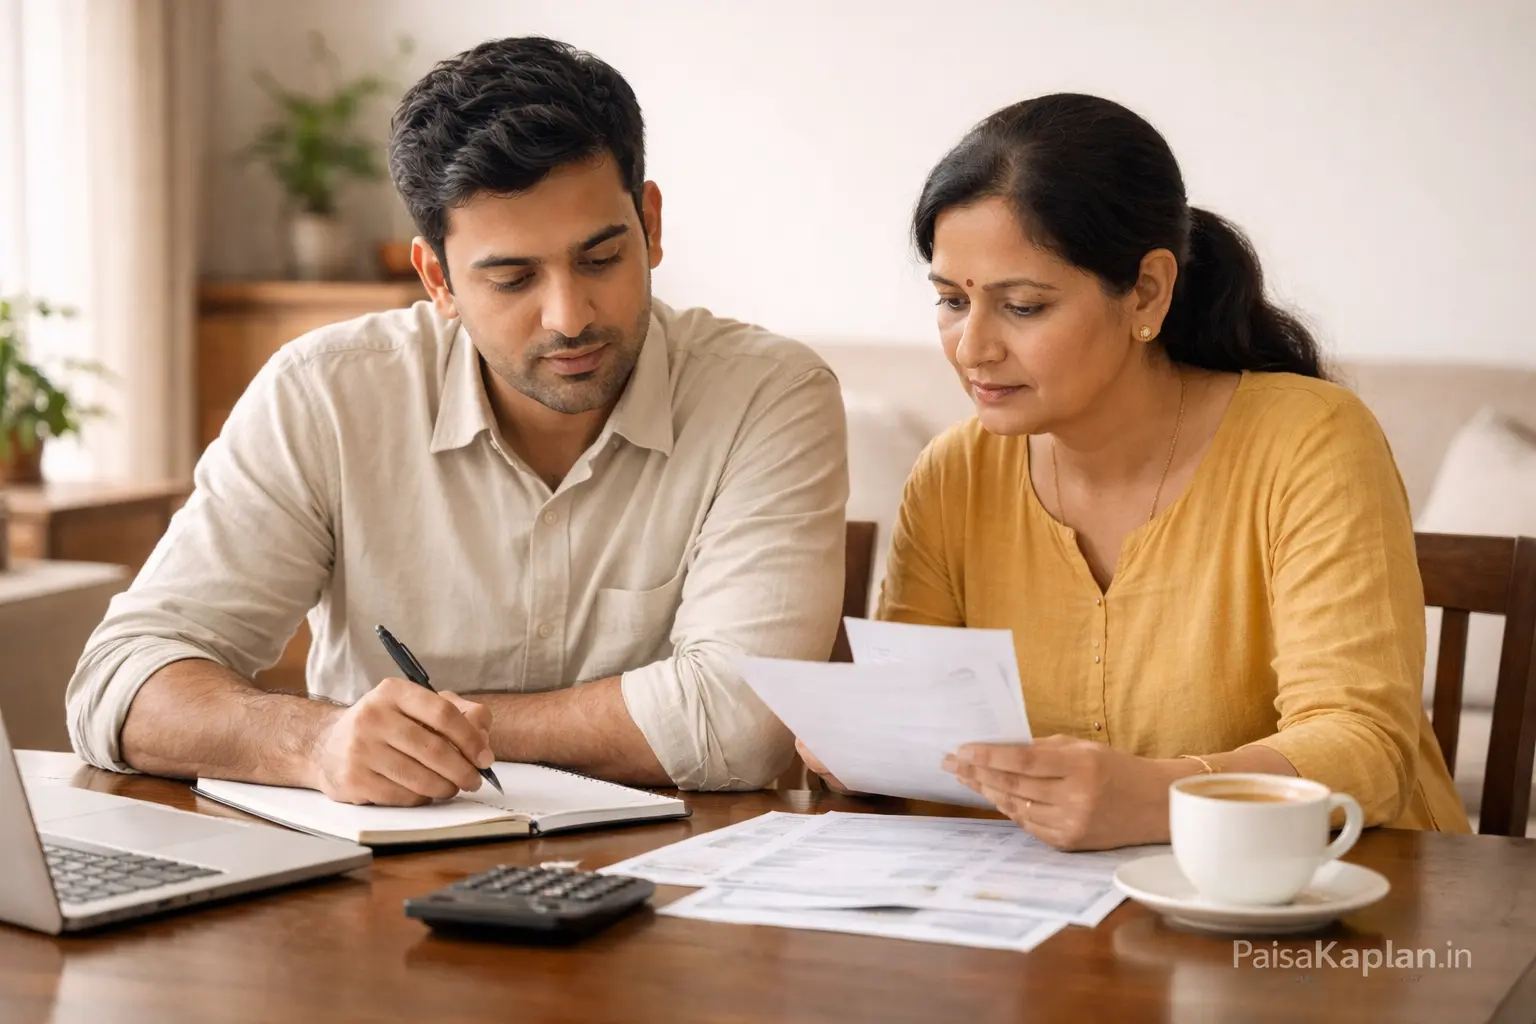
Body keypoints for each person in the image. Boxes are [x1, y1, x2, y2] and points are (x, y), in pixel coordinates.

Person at [66, 37, 848, 805]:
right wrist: (318, 742)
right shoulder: (326, 394)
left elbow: (744, 723)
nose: (569, 316)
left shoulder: (768, 395)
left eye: (601, 258)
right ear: (436, 278)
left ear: (650, 222)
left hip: (674, 873)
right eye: (511, 278)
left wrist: (440, 730)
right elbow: (120, 681)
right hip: (381, 876)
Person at [799, 93, 1468, 850]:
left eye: (1023, 307)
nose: (971, 347)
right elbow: (917, 727)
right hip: (1053, 904)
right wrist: (863, 748)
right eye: (952, 300)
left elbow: (1364, 748)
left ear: (1147, 290)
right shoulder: (954, 473)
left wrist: (1155, 798)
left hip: (1335, 889)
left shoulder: (1310, 440)